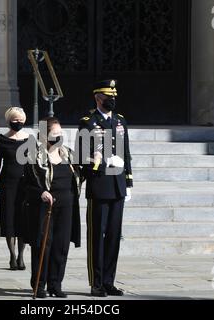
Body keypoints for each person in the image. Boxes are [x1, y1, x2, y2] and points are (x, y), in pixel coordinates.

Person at [77, 80, 133, 297]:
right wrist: (101, 162)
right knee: (96, 236)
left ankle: (109, 281)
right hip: (99, 184)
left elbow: (126, 152)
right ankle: (97, 282)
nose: (113, 100)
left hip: (117, 185)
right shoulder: (87, 122)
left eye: (114, 96)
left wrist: (128, 182)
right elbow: (81, 156)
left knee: (113, 236)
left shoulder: (120, 121)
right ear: (98, 98)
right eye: (108, 96)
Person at [24, 117, 82, 299]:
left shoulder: (69, 155)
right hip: (45, 208)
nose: (58, 136)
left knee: (61, 246)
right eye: (54, 133)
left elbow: (79, 177)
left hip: (67, 206)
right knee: (43, 246)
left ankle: (55, 284)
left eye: (60, 133)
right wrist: (40, 192)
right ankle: (39, 285)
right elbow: (26, 184)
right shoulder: (34, 155)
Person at [0, 107, 29, 271]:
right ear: (9, 121)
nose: (18, 123)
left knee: (23, 219)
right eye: (15, 120)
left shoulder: (29, 139)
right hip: (8, 184)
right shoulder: (1, 140)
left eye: (21, 120)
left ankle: (22, 256)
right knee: (8, 219)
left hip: (26, 185)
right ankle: (12, 256)